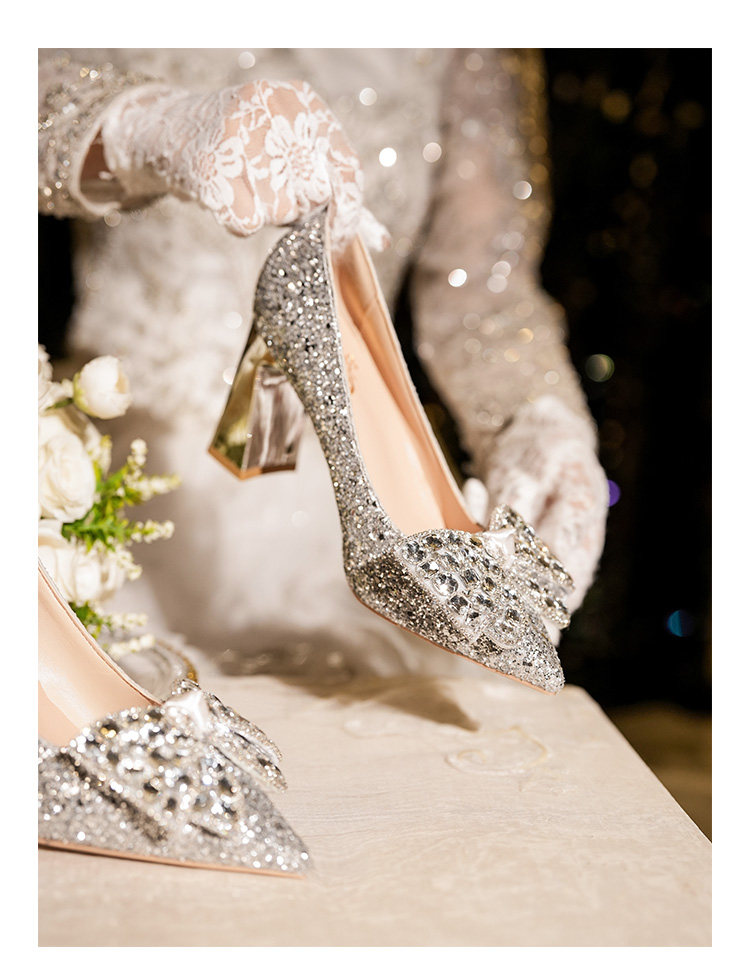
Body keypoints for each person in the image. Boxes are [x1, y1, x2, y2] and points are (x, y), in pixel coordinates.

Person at [38, 47, 608, 679]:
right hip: (111, 462)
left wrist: (535, 413)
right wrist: (146, 127)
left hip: (333, 471)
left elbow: (484, 295)